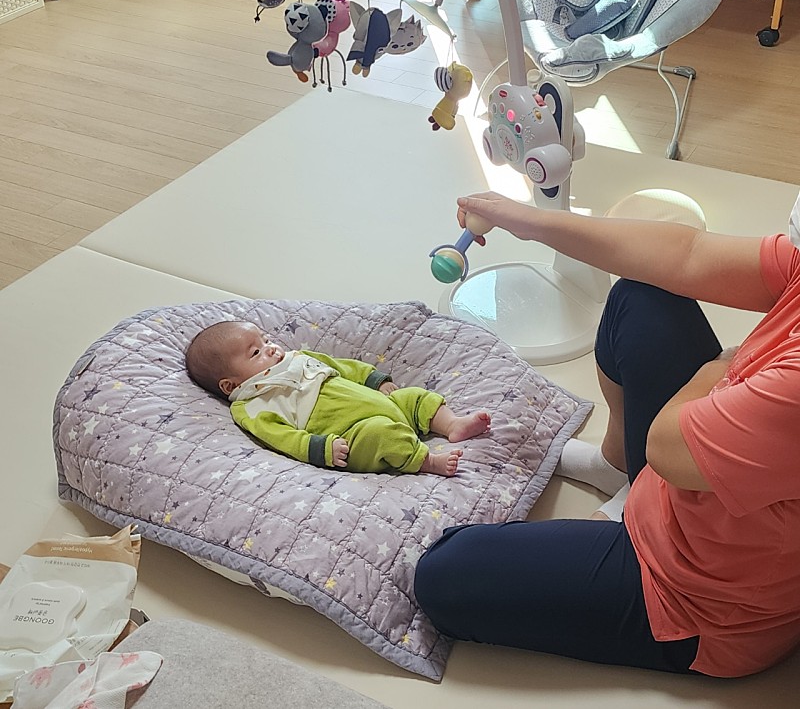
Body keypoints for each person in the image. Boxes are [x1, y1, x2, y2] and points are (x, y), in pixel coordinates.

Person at [414, 190, 800, 678]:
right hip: (691, 483)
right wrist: (525, 220)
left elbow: (666, 448)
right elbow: (687, 254)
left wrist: (718, 368)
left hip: (699, 600)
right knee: (640, 293)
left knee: (442, 575)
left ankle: (632, 510)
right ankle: (618, 471)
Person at [185, 320, 491, 477]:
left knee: (415, 397)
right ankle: (427, 462)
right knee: (383, 434)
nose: (271, 348)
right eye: (256, 352)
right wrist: (319, 449)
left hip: (385, 403)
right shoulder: (251, 404)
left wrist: (375, 381)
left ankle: (452, 425)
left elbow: (342, 366)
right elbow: (279, 436)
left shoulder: (297, 358)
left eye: (265, 340)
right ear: (230, 385)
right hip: (355, 434)